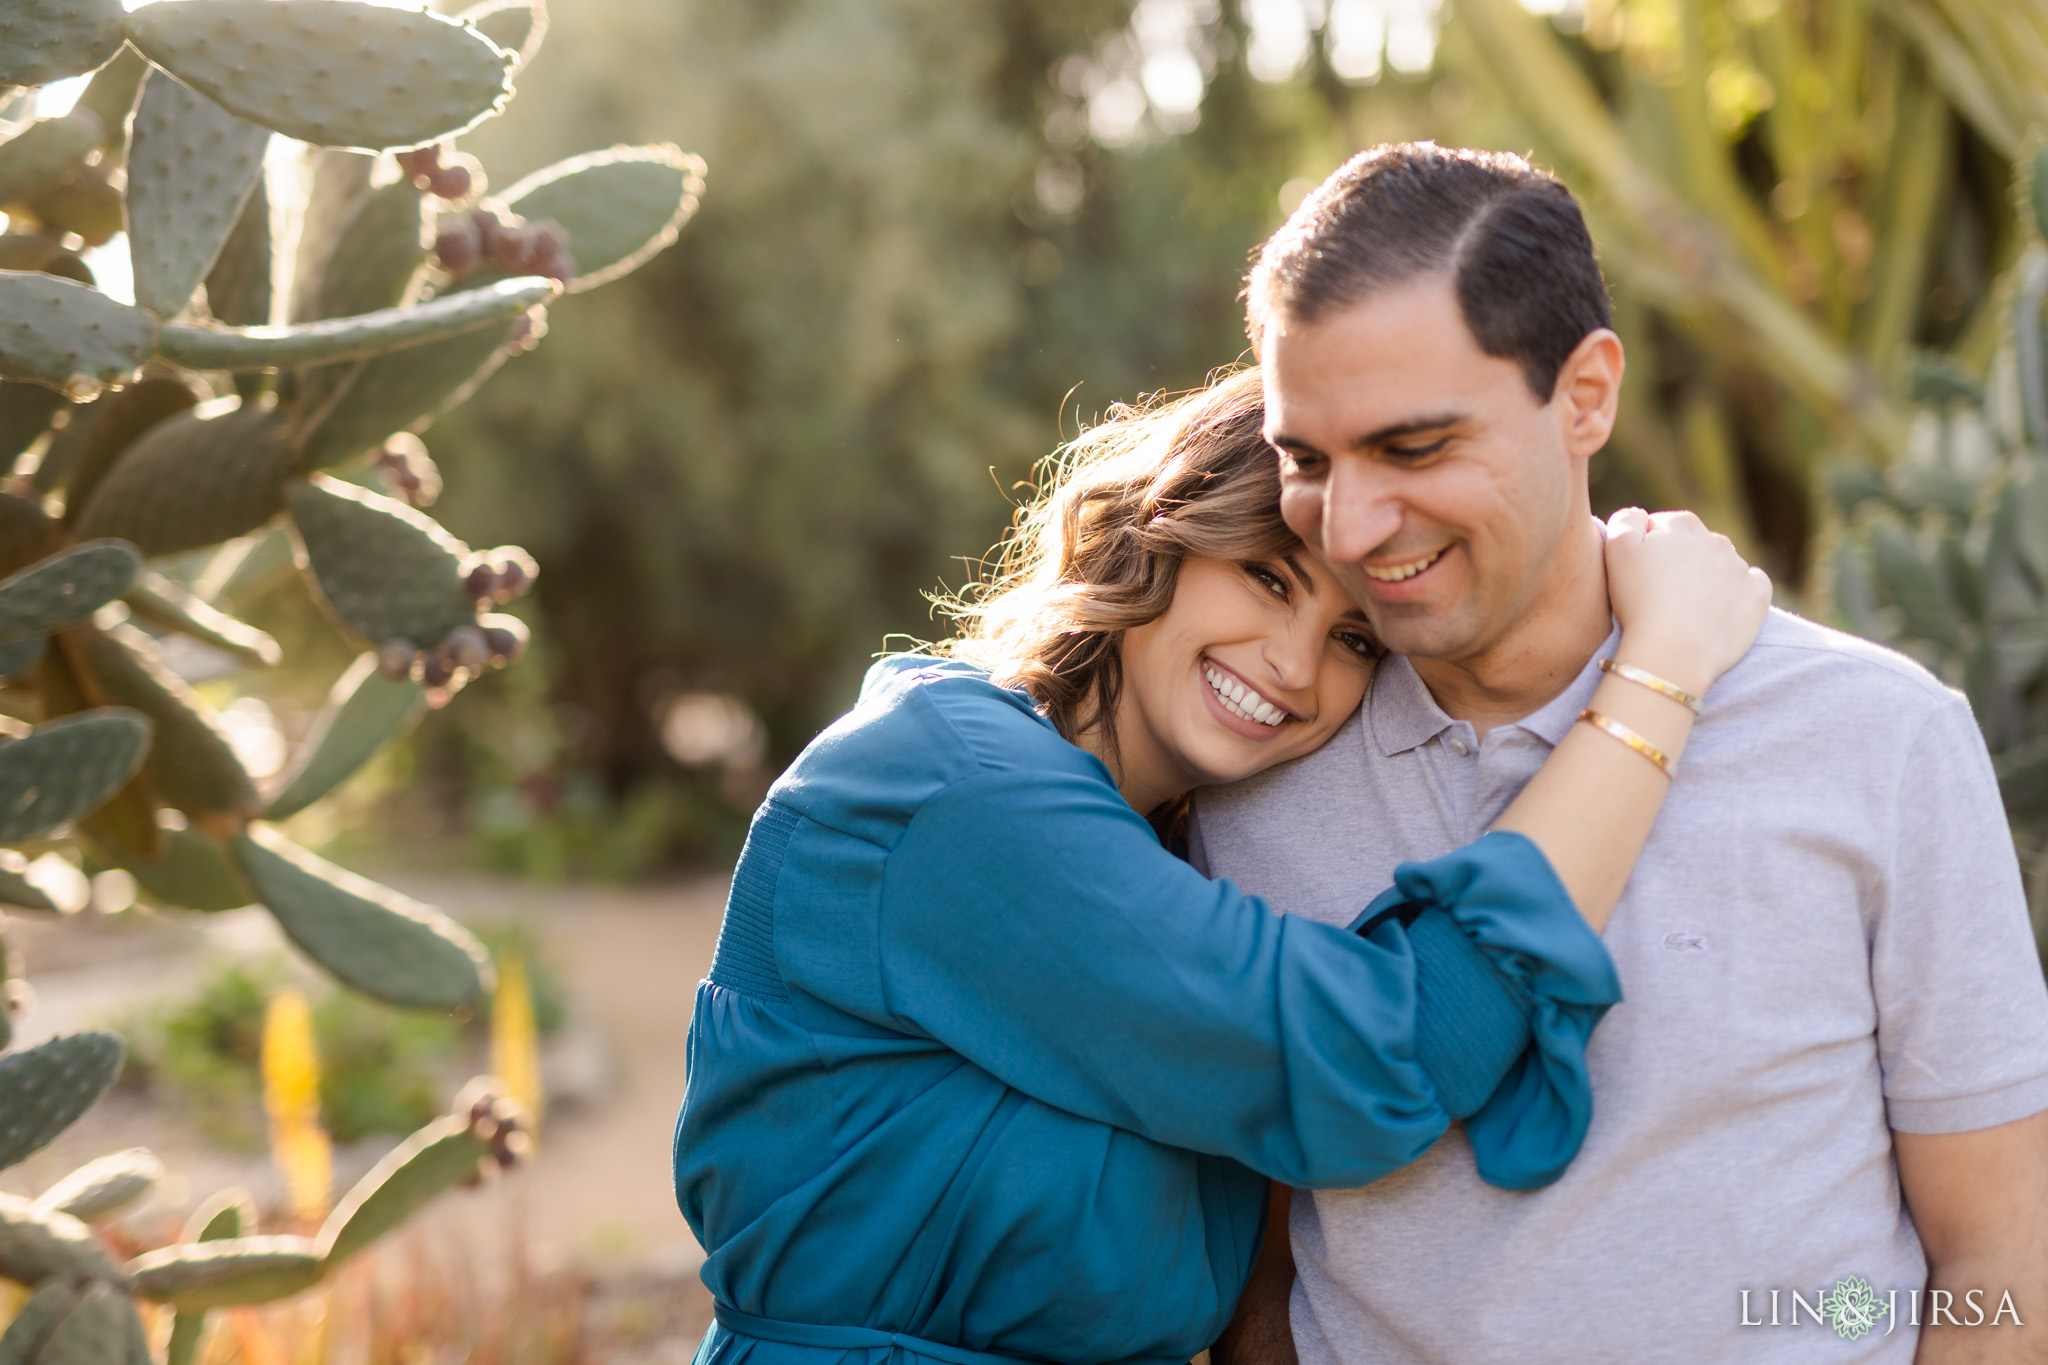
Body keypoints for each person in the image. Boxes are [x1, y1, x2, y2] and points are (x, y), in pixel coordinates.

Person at [672, 366, 1770, 1365]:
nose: (1293, 666)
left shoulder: (1171, 851)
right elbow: (1375, 1055)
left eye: (1354, 642)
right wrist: (1658, 673)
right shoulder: (948, 790)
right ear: (1157, 531)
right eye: (1266, 577)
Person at [1195, 143, 2048, 1365]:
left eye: (1414, 447)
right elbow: (1258, 1272)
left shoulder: (1879, 740)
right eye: (1306, 459)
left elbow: (1996, 1270)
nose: (1350, 525)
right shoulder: (1251, 780)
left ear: (1585, 394)